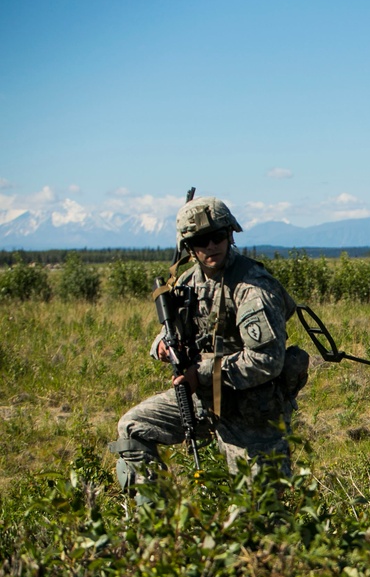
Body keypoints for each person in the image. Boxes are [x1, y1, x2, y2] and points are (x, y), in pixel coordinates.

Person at [108, 195, 307, 499]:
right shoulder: (188, 281)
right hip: (203, 399)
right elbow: (170, 330)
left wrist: (199, 372)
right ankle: (160, 527)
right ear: (189, 247)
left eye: (217, 237)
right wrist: (163, 345)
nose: (211, 246)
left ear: (230, 235)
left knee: (262, 515)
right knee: (133, 428)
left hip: (252, 411)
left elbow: (266, 361)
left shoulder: (253, 289)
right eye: (201, 240)